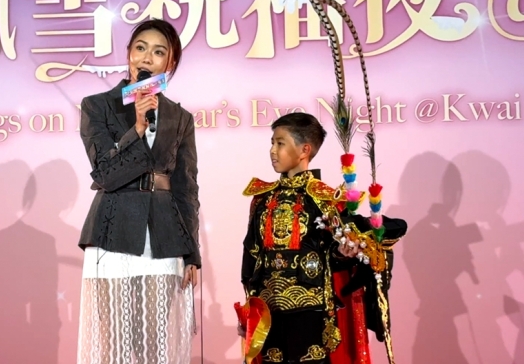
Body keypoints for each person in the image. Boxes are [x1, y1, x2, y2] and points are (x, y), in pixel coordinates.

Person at [76, 18, 200, 364]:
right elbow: (105, 173)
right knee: (114, 345)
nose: (147, 57)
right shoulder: (98, 105)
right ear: (129, 53)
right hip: (113, 230)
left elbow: (186, 187)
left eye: (158, 52)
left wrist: (192, 252)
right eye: (140, 48)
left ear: (169, 63)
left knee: (154, 346)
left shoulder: (179, 117)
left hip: (163, 235)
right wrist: (138, 128)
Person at [239, 113, 407, 364]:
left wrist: (343, 253)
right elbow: (251, 253)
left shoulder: (324, 199)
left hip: (311, 307)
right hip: (268, 310)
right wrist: (249, 309)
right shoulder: (262, 199)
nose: (272, 150)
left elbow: (332, 253)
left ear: (304, 150)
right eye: (272, 143)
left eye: (280, 143)